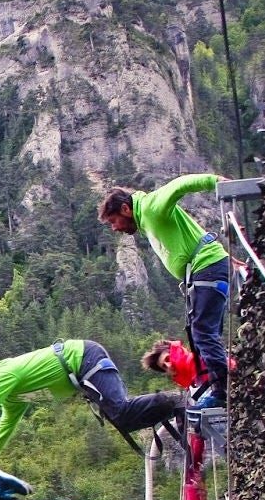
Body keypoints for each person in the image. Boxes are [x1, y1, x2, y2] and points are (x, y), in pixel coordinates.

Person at [0, 341, 184, 467]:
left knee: (122, 411)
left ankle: (175, 401)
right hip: (83, 369)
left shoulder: (0, 375)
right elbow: (8, 419)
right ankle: (172, 406)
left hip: (84, 360)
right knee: (123, 418)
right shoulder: (11, 393)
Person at [99, 173, 231, 406]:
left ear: (125, 209)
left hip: (206, 267)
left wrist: (216, 181)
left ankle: (223, 391)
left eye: (113, 221)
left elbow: (179, 185)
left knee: (203, 331)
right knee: (201, 334)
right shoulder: (146, 214)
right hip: (204, 269)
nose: (114, 228)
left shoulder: (150, 208)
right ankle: (215, 384)